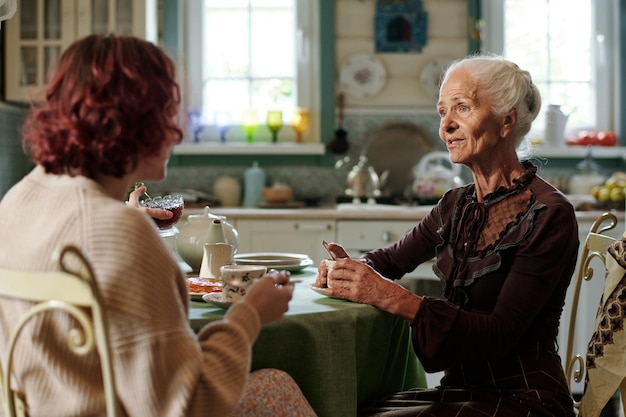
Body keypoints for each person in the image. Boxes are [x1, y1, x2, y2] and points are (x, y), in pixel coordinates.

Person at [0, 34, 316, 417]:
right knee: (279, 387)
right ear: (134, 121)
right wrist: (248, 314)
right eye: (168, 110)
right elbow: (190, 404)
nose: (177, 126)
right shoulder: (123, 233)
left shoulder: (16, 201)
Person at [317, 55, 579, 416]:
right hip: (462, 390)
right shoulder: (456, 204)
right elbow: (390, 261)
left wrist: (394, 298)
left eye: (463, 108)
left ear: (507, 120)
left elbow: (499, 335)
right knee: (352, 409)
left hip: (525, 400)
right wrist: (346, 269)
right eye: (442, 112)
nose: (446, 127)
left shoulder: (549, 215)